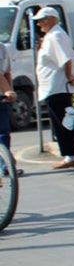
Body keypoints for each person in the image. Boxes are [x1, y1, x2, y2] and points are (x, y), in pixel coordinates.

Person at [33, 7, 74, 170]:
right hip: (54, 87)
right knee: (62, 120)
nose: (39, 24)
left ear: (51, 19)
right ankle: (71, 154)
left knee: (62, 121)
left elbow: (67, 59)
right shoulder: (55, 35)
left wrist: (70, 77)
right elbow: (73, 58)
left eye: (41, 20)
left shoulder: (56, 36)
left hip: (57, 86)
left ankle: (71, 156)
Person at [0, 42, 20, 176]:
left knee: (3, 133)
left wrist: (9, 92)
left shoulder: (2, 48)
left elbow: (5, 73)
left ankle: (5, 164)